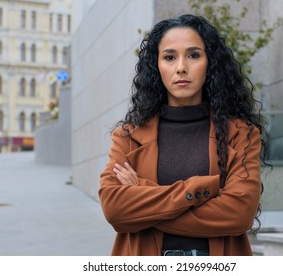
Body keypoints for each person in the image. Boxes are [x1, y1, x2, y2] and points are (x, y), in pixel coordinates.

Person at [99, 14, 268, 256]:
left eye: (193, 55)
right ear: (156, 66)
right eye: (169, 57)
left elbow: (239, 214)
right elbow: (115, 209)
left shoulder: (240, 133)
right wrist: (202, 189)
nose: (181, 67)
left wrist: (142, 194)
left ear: (210, 62)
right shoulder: (127, 136)